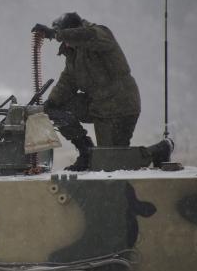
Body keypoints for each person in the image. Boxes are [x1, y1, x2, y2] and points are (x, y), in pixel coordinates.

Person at [32, 12, 141, 171]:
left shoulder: (99, 34)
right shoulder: (73, 54)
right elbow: (68, 81)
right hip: (99, 107)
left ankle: (158, 150)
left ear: (72, 31)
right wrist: (51, 104)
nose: (65, 43)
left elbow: (86, 36)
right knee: (58, 109)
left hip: (121, 106)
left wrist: (56, 34)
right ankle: (86, 152)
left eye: (66, 38)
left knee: (111, 164)